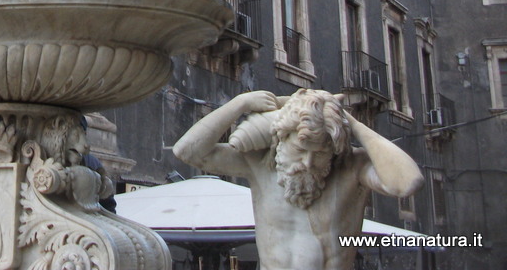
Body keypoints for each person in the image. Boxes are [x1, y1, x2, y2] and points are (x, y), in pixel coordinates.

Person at [172, 89, 423, 270]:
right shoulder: (259, 164)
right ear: (282, 138)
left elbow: (406, 182)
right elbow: (187, 151)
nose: (308, 162)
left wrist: (351, 123)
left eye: (321, 152)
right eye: (300, 149)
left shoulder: (351, 167)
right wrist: (239, 103)